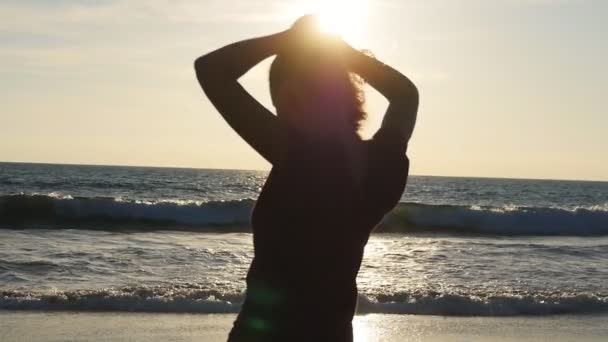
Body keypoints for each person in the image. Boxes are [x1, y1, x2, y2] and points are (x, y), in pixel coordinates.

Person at [194, 15, 418, 342]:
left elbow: (211, 70)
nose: (280, 112)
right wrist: (346, 54)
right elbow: (405, 96)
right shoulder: (382, 165)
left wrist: (284, 39)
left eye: (284, 97)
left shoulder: (298, 156)